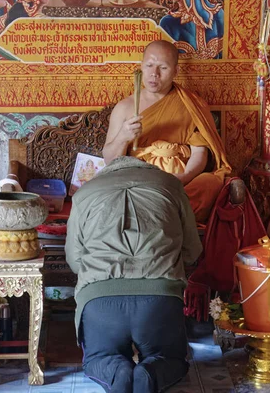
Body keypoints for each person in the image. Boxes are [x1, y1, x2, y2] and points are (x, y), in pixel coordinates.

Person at [65, 155, 202, 393]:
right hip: (159, 302)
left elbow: (75, 260)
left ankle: (118, 370)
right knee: (169, 359)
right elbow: (192, 250)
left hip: (101, 306)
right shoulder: (170, 185)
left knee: (100, 360)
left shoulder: (85, 192)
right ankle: (150, 373)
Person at [103, 40, 232, 226]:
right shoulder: (125, 108)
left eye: (162, 67)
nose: (154, 74)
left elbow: (199, 152)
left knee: (209, 183)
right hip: (140, 180)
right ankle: (166, 214)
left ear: (175, 71)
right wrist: (123, 136)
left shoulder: (191, 105)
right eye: (149, 66)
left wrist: (184, 177)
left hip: (180, 181)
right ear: (141, 67)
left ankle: (156, 215)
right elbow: (109, 160)